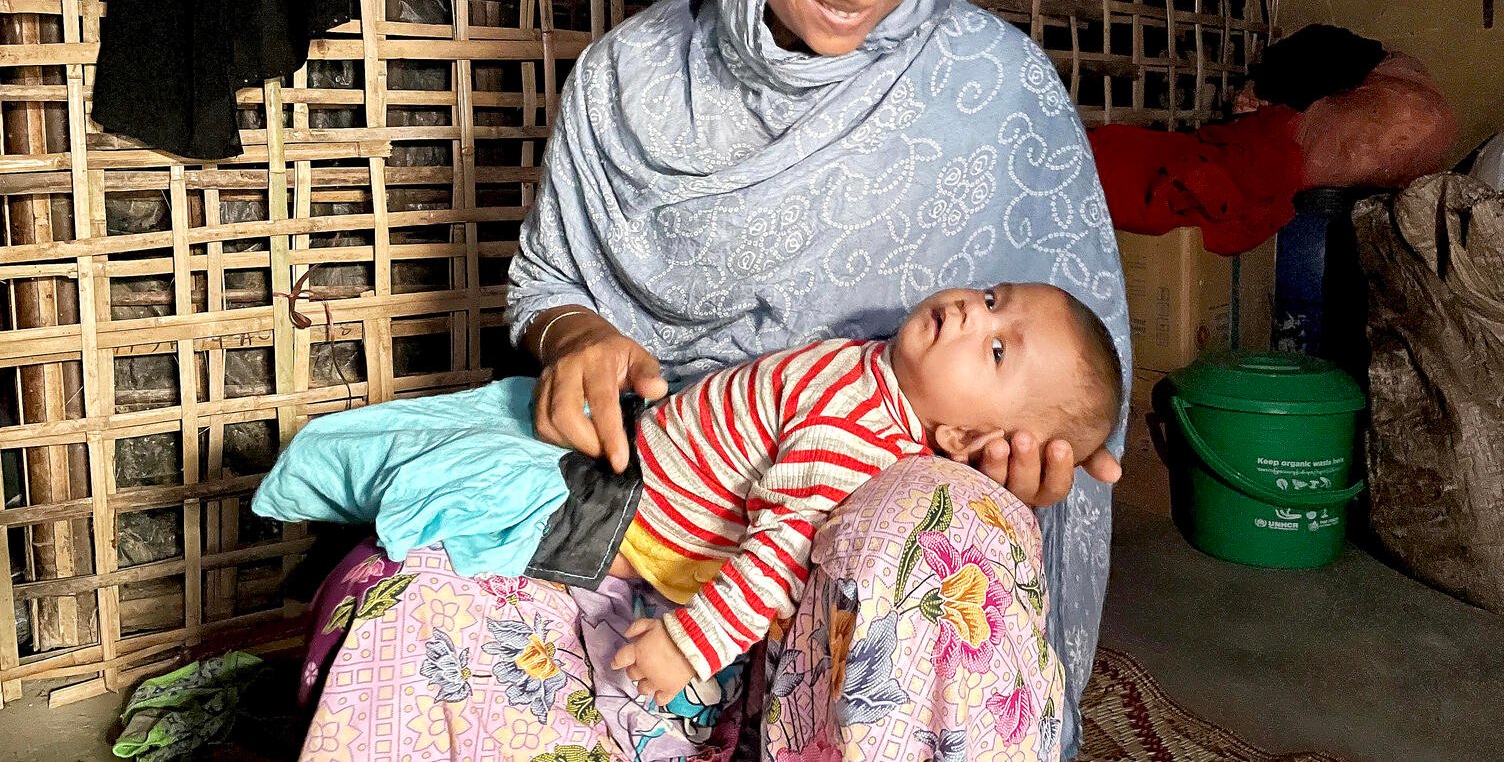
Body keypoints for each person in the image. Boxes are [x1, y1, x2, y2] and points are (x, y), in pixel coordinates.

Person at [295, 0, 1130, 759]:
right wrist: (573, 338)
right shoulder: (627, 87)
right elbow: (551, 280)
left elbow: (1067, 363)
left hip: (853, 572)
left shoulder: (998, 91)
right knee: (407, 604)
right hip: (654, 514)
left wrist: (1020, 458)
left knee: (940, 539)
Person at [257, 283, 1121, 703]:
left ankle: (330, 494)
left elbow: (780, 554)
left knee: (444, 477)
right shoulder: (881, 367)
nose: (974, 313)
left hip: (624, 510)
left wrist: (693, 642)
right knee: (484, 420)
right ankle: (327, 490)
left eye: (998, 349)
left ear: (969, 440)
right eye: (995, 296)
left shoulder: (853, 430)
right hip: (639, 445)